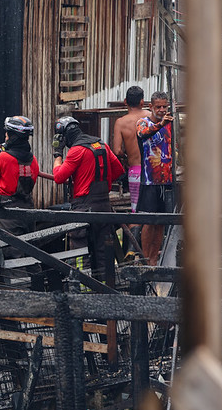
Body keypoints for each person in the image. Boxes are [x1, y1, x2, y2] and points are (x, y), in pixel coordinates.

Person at [52, 116, 125, 283]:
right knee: (102, 250)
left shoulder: (76, 151)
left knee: (79, 250)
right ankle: (106, 289)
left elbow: (58, 177)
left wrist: (57, 155)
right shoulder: (101, 145)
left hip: (83, 206)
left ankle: (82, 290)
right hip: (104, 206)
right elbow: (119, 171)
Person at [0, 116, 40, 244]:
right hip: (28, 209)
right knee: (30, 249)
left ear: (13, 136)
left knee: (11, 252)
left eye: (7, 134)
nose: (5, 137)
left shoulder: (4, 158)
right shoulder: (33, 160)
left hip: (8, 212)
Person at [111, 86, 150, 260]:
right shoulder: (150, 116)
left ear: (125, 102)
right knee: (151, 210)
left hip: (134, 171)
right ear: (142, 101)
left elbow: (117, 150)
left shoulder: (121, 122)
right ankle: (145, 253)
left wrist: (128, 156)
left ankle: (131, 249)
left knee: (136, 210)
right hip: (152, 170)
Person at [136, 91, 174, 266]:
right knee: (149, 221)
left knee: (161, 222)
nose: (161, 110)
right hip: (150, 179)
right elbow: (143, 134)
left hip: (166, 180)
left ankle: (154, 259)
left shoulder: (170, 124)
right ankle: (145, 258)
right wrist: (160, 124)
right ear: (150, 107)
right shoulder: (143, 123)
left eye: (164, 107)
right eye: (158, 107)